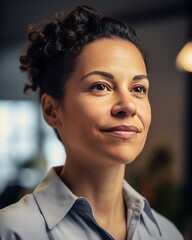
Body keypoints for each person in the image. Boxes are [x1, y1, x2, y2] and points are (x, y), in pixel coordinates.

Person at [0, 5, 183, 240]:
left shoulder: (166, 234)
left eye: (138, 89)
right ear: (51, 110)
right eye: (100, 86)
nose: (128, 106)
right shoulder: (13, 231)